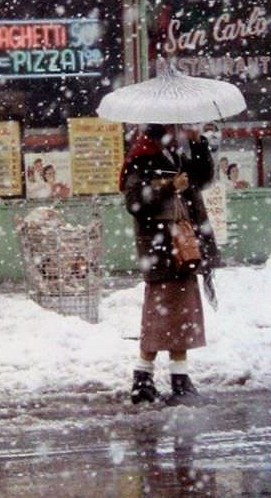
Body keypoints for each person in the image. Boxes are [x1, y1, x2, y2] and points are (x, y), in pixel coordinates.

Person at [120, 123, 219, 405]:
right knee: (162, 317)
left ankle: (164, 379)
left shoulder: (173, 154)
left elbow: (202, 177)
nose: (181, 130)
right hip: (162, 248)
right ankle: (156, 380)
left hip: (182, 247)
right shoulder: (142, 156)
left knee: (180, 317)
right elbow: (135, 201)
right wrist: (168, 186)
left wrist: (198, 142)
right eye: (178, 127)